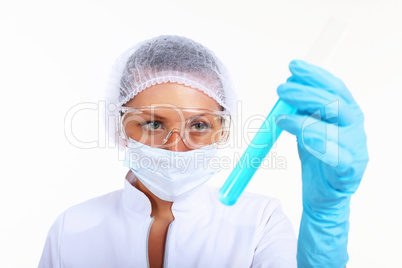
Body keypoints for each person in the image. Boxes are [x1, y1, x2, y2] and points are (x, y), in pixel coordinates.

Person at [39, 35, 368, 268]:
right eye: (153, 124)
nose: (175, 145)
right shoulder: (74, 228)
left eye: (198, 125)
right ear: (119, 126)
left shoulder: (259, 222)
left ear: (222, 130)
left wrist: (326, 217)